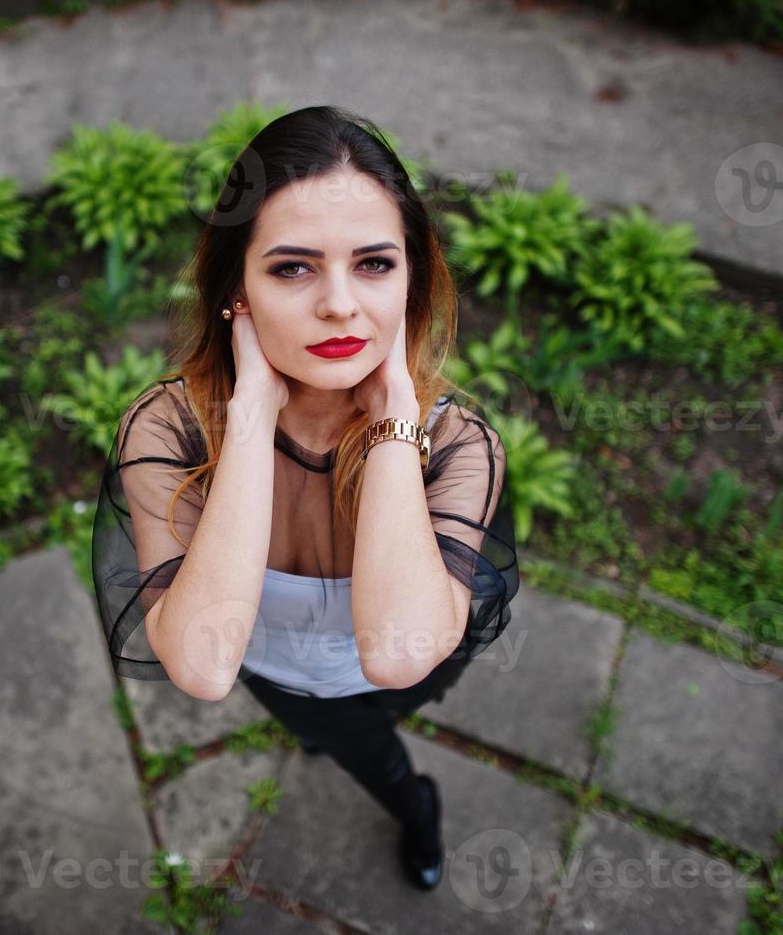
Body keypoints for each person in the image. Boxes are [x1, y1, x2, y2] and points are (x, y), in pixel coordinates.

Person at [89, 104, 520, 892]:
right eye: (292, 267)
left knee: (367, 739)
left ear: (411, 279)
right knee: (318, 720)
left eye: (374, 264)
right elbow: (204, 661)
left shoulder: (456, 445)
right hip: (266, 668)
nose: (339, 305)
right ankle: (356, 755)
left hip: (394, 672)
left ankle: (414, 807)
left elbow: (397, 653)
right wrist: (250, 419)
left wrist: (393, 422)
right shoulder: (169, 428)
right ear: (236, 290)